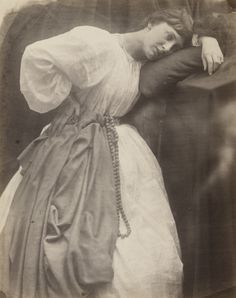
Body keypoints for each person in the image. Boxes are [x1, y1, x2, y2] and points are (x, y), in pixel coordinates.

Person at [0, 8, 223, 298]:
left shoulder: (138, 65)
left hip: (117, 146)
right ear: (151, 22)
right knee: (64, 232)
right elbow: (37, 54)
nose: (166, 48)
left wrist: (206, 39)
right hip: (73, 145)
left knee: (135, 250)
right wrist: (65, 98)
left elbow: (187, 54)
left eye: (174, 45)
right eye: (167, 36)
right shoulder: (99, 44)